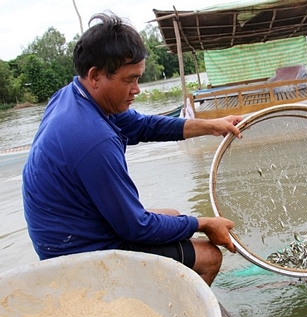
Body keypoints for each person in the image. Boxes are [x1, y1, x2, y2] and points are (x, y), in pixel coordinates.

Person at [22, 12, 243, 286]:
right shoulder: (94, 140)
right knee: (209, 256)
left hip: (66, 233)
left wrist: (212, 126)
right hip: (78, 255)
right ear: (95, 76)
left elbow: (144, 126)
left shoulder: (73, 96)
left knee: (173, 214)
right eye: (130, 80)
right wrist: (206, 223)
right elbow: (136, 227)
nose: (137, 89)